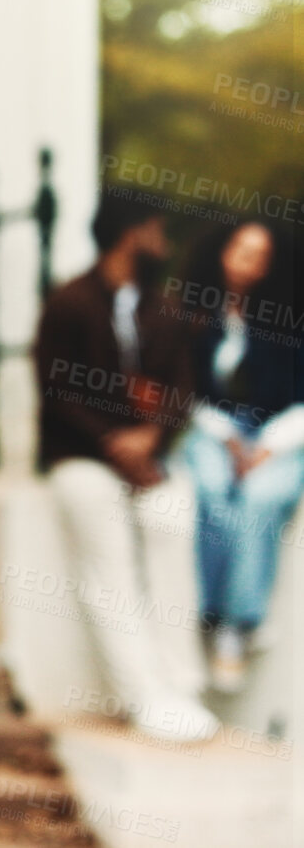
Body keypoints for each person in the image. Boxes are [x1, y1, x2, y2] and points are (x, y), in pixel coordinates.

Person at [33, 194, 216, 742]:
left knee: (172, 517)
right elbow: (56, 388)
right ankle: (144, 696)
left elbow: (183, 388)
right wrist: (114, 444)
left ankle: (180, 683)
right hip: (81, 457)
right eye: (156, 229)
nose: (163, 242)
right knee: (105, 551)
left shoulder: (162, 309)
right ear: (131, 234)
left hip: (148, 459)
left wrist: (152, 438)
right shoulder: (68, 302)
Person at [172, 220, 304, 693]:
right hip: (214, 428)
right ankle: (210, 612)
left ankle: (239, 623)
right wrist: (227, 438)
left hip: (279, 432)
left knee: (261, 497)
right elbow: (183, 390)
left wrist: (270, 444)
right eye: (243, 249)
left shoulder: (287, 319)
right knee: (210, 489)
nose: (251, 261)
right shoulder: (193, 314)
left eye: (262, 253)